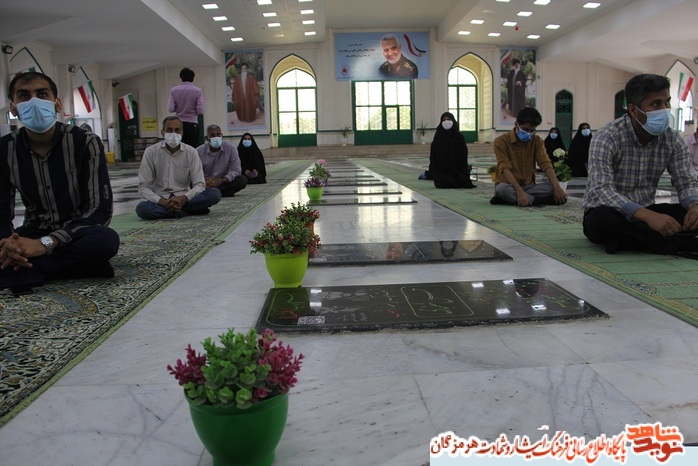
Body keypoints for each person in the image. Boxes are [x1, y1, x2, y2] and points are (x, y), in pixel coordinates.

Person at [0, 71, 120, 293]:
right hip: (34, 229)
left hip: (78, 232)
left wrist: (44, 245)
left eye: (42, 94)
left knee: (105, 240)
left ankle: (29, 269)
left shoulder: (85, 142)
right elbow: (1, 213)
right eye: (24, 96)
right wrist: (10, 246)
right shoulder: (5, 149)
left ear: (56, 104)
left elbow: (100, 209)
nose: (34, 102)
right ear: (13, 108)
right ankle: (79, 267)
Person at [582, 73, 698, 257]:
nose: (665, 109)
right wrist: (646, 216)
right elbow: (601, 190)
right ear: (633, 110)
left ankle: (636, 240)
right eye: (655, 104)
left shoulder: (673, 139)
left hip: (648, 210)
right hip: (611, 211)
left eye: (667, 102)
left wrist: (694, 206)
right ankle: (680, 243)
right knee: (602, 221)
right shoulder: (608, 136)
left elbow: (686, 181)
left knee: (689, 214)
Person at [136, 116, 221, 220]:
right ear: (163, 132)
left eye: (177, 130)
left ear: (182, 132)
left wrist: (184, 198)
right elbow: (144, 187)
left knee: (214, 194)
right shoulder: (151, 152)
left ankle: (173, 211)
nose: (174, 133)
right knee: (142, 208)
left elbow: (199, 184)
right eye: (169, 130)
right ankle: (185, 211)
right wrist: (162, 202)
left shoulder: (191, 152)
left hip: (185, 197)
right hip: (161, 199)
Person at [490, 107, 567, 207]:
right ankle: (536, 201)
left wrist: (557, 187)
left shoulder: (537, 141)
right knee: (501, 189)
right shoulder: (501, 141)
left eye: (532, 131)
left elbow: (545, 164)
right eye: (525, 129)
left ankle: (516, 199)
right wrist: (519, 191)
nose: (529, 134)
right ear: (516, 124)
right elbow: (504, 168)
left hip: (529, 186)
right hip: (509, 185)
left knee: (552, 188)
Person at [427, 112, 475, 189]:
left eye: (448, 119)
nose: (446, 122)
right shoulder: (438, 137)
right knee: (445, 182)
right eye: (444, 120)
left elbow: (463, 154)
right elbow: (434, 157)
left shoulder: (459, 137)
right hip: (442, 170)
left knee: (463, 181)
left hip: (458, 169)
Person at [196, 124, 247, 197]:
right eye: (212, 135)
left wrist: (222, 180)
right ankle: (224, 192)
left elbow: (237, 170)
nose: (216, 137)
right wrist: (206, 181)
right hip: (205, 183)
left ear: (222, 136)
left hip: (223, 182)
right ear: (207, 138)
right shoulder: (199, 151)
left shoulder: (231, 148)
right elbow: (195, 172)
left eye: (218, 134)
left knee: (242, 180)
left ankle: (213, 192)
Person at [168, 67, 204, 147]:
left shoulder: (173, 90)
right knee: (193, 150)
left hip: (178, 125)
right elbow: (200, 111)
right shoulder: (198, 91)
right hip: (192, 125)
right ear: (193, 78)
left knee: (179, 148)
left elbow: (171, 109)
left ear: (181, 78)